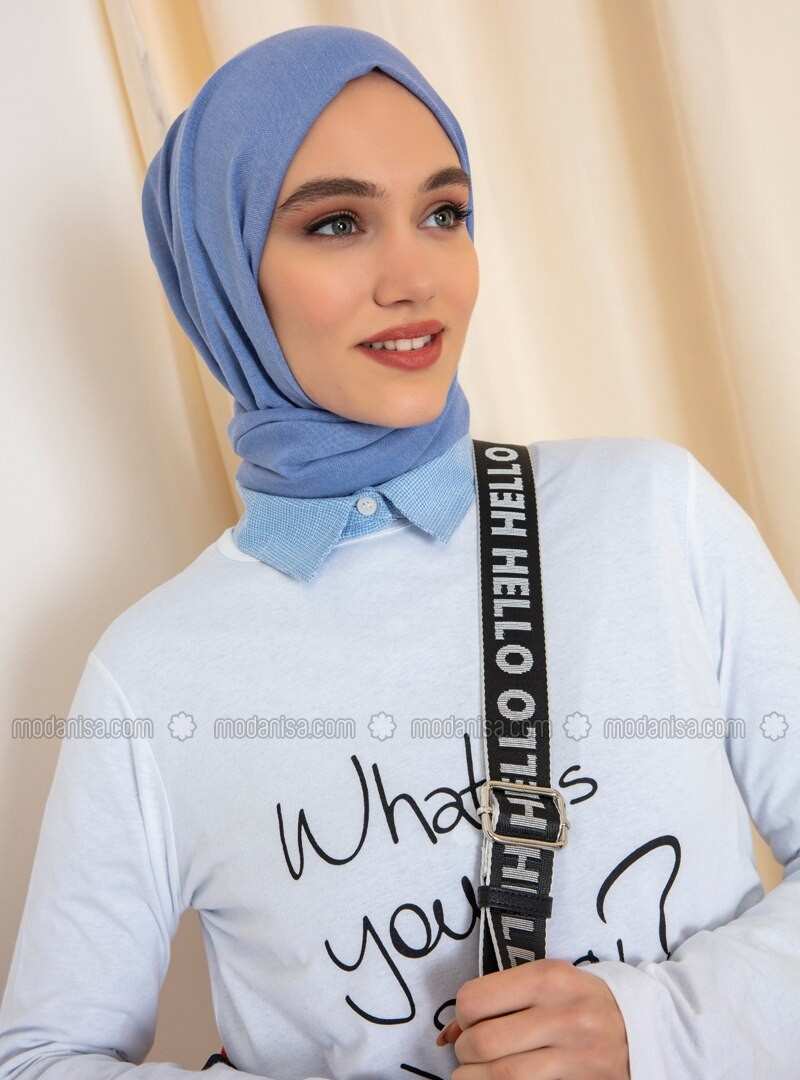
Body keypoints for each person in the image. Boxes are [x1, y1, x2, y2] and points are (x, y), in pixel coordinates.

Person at [1, 22, 798, 1080]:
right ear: (225, 273)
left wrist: (659, 1029)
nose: (416, 278)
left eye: (443, 213)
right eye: (336, 223)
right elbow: (43, 1057)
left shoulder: (651, 512)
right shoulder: (150, 674)